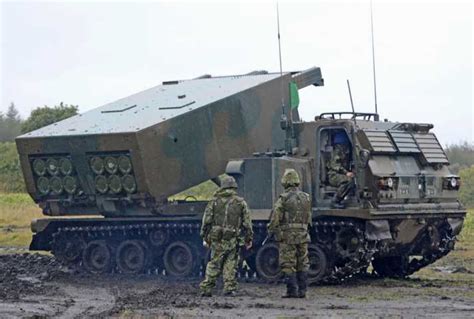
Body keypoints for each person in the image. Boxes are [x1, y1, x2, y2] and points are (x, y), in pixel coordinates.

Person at [199, 175, 253, 297]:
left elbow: (206, 221)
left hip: (217, 238)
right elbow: (247, 223)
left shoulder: (214, 202)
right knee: (231, 263)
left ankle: (207, 288)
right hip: (233, 238)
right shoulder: (240, 203)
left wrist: (205, 236)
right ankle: (229, 287)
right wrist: (248, 239)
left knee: (214, 263)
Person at [267, 169, 312, 298]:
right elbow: (309, 216)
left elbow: (276, 217)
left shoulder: (283, 198)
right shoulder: (306, 197)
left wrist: (272, 231)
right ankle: (303, 291)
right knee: (303, 262)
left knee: (288, 263)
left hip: (288, 235)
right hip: (303, 233)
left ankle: (292, 291)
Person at [327, 132, 355, 209]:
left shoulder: (345, 152)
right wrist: (346, 173)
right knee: (348, 180)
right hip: (333, 175)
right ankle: (335, 201)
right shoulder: (337, 152)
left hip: (339, 174)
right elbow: (335, 165)